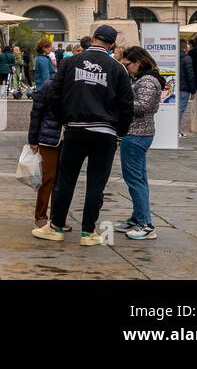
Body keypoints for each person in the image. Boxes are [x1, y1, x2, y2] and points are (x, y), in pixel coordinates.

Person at [33, 24, 134, 246]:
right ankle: (88, 232)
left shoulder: (69, 63)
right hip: (105, 132)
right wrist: (120, 132)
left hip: (76, 128)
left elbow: (54, 94)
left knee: (66, 180)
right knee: (96, 183)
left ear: (93, 38)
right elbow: (127, 105)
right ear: (112, 44)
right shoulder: (118, 69)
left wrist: (63, 120)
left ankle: (56, 226)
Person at [115, 46, 162, 240]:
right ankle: (137, 218)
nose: (126, 68)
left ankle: (146, 224)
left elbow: (142, 106)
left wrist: (118, 101)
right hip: (138, 133)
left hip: (137, 134)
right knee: (139, 178)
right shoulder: (143, 79)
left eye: (128, 65)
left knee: (134, 179)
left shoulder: (148, 81)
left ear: (138, 62)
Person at [27, 72, 62, 230]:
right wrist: (33, 139)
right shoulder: (47, 86)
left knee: (62, 180)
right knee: (48, 178)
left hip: (66, 138)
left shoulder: (72, 86)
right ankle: (40, 215)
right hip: (49, 138)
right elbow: (36, 114)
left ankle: (57, 217)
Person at [177, 46, 197, 138]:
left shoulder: (174, 56)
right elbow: (190, 74)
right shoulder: (186, 58)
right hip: (184, 88)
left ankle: (174, 130)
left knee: (176, 110)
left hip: (174, 87)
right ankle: (176, 130)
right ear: (185, 48)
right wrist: (193, 90)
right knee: (180, 110)